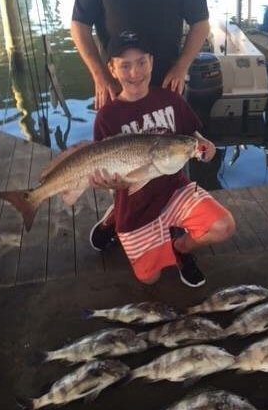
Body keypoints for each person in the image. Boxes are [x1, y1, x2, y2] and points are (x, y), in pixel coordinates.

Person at [90, 31, 235, 287]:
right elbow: (104, 168)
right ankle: (114, 218)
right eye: (125, 65)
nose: (135, 72)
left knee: (223, 226)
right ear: (112, 69)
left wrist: (203, 143)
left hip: (173, 189)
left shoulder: (170, 99)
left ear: (152, 62)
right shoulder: (107, 117)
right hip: (135, 204)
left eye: (142, 62)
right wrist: (109, 183)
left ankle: (180, 246)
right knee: (150, 278)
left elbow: (191, 133)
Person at [71, 0, 210, 109]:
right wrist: (99, 75)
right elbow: (79, 25)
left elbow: (201, 23)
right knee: (113, 133)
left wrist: (181, 67)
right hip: (117, 86)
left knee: (173, 135)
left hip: (167, 84)